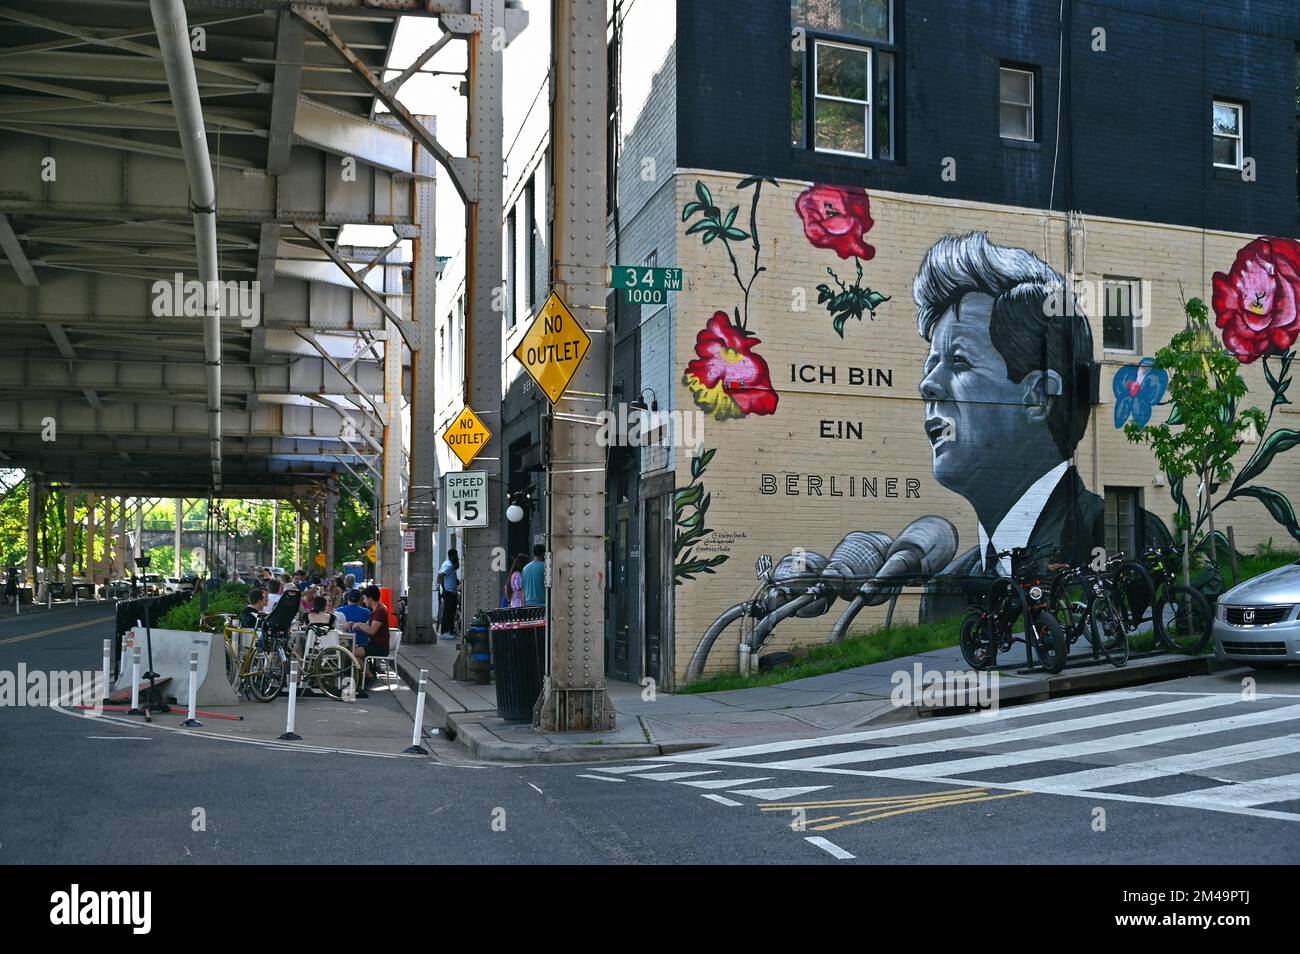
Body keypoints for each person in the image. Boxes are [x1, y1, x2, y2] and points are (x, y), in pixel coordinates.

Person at [913, 231, 1171, 620]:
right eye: (932, 365)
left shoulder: (1118, 535)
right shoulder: (949, 586)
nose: (927, 384)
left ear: (1037, 398)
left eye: (959, 361)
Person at [345, 585, 391, 684]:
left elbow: (372, 630)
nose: (364, 601)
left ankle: (369, 676)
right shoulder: (376, 610)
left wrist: (359, 625)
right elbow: (369, 625)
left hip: (380, 647)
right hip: (374, 644)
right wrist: (355, 624)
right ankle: (363, 676)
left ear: (370, 598)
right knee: (351, 650)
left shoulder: (380, 611)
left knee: (351, 653)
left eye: (365, 598)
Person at [436, 548, 460, 639]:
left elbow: (451, 577)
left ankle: (450, 630)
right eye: (456, 555)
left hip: (451, 592)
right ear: (452, 556)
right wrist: (444, 588)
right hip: (448, 592)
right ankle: (444, 632)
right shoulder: (449, 566)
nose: (457, 557)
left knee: (451, 612)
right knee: (447, 613)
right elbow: (441, 575)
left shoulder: (447, 564)